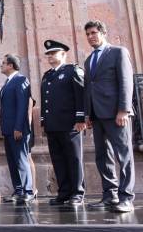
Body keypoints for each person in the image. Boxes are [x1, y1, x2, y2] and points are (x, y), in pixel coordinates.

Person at [83, 20, 135, 213]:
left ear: (103, 33)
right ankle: (110, 195)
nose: (90, 37)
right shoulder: (89, 60)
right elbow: (89, 88)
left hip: (116, 114)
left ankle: (126, 198)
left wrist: (123, 110)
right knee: (102, 156)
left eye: (94, 33)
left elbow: (126, 82)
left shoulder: (118, 52)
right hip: (97, 115)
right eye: (87, 34)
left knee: (124, 155)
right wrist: (88, 114)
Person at [40, 40, 86, 206]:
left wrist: (81, 119)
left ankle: (78, 193)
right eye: (48, 54)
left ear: (64, 54)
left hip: (70, 125)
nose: (50, 56)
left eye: (54, 53)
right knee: (58, 159)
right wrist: (44, 121)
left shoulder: (72, 71)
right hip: (53, 125)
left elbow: (80, 95)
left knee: (74, 158)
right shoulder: (47, 75)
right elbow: (45, 100)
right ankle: (64, 192)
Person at [0, 54, 34, 204]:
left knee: (21, 160)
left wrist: (18, 127)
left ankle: (28, 191)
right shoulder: (7, 83)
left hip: (17, 129)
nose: (1, 65)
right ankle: (18, 190)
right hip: (7, 129)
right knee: (12, 161)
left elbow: (22, 106)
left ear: (11, 65)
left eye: (3, 63)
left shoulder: (21, 80)